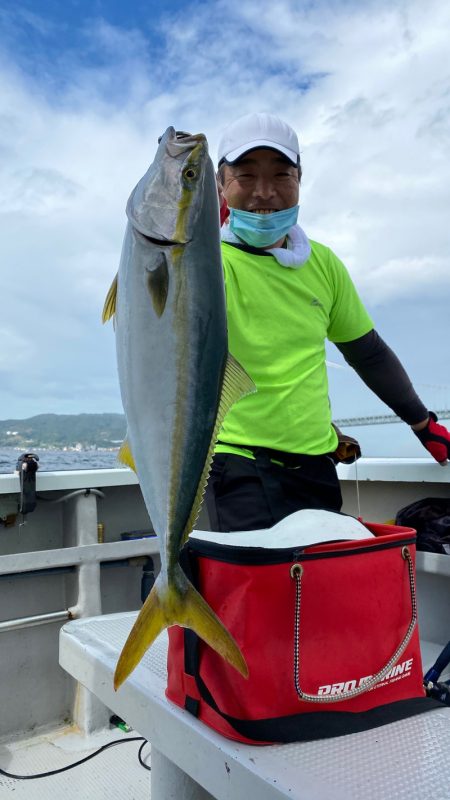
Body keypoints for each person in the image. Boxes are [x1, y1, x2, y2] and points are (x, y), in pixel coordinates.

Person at [205, 111, 450, 533]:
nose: (265, 193)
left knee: (316, 591)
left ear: (300, 180)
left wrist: (422, 422)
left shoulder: (323, 263)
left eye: (281, 175)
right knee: (261, 592)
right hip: (234, 463)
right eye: (245, 176)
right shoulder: (204, 265)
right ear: (220, 185)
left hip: (317, 464)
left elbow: (367, 352)